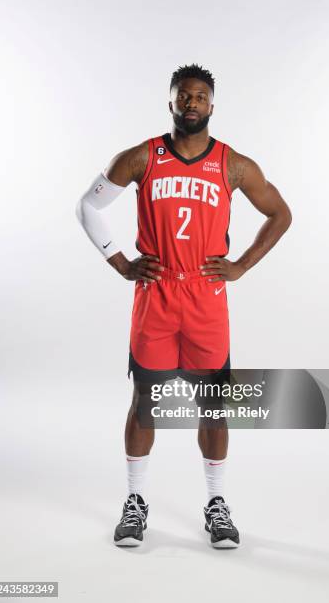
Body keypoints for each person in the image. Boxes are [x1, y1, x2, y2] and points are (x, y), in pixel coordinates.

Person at [76, 63, 292, 548]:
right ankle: (135, 503)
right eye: (183, 96)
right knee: (145, 403)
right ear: (171, 102)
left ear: (212, 105)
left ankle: (217, 503)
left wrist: (241, 265)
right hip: (155, 294)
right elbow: (87, 207)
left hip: (205, 297)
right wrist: (120, 262)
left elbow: (281, 213)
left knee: (213, 406)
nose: (191, 103)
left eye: (200, 96)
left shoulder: (234, 165)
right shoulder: (141, 158)